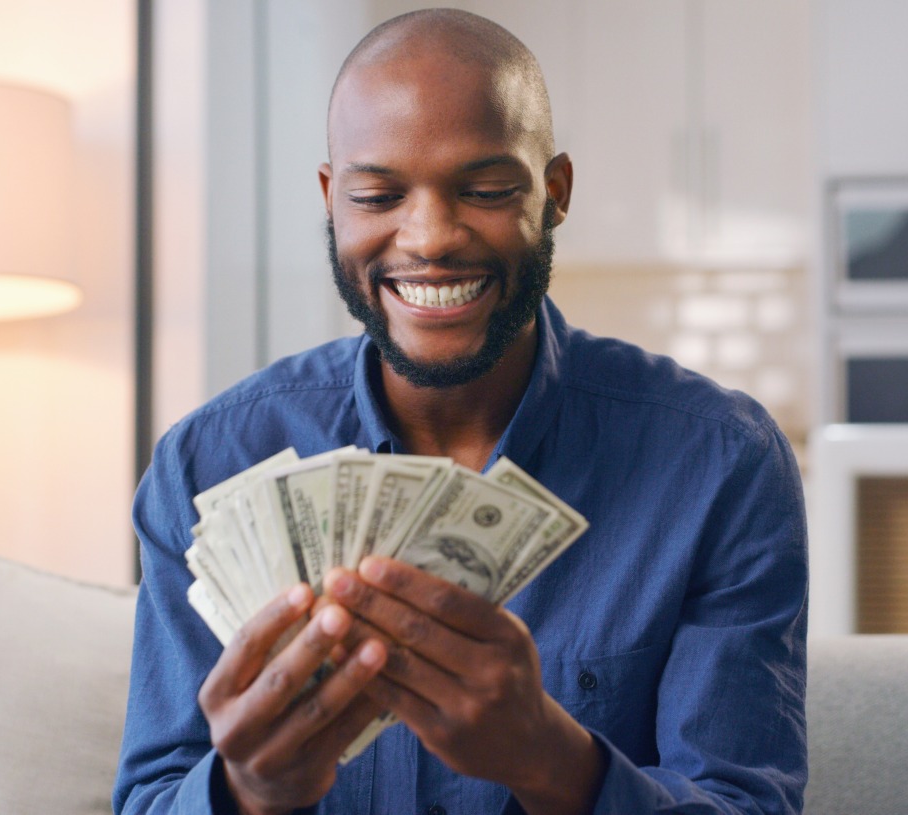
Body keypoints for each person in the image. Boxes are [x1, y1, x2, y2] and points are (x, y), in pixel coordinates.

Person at [114, 8, 808, 815]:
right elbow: (151, 797)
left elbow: (745, 802)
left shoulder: (720, 463)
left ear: (554, 194)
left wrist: (553, 759)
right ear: (331, 199)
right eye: (377, 194)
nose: (430, 237)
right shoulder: (208, 465)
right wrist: (245, 791)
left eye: (483, 190)